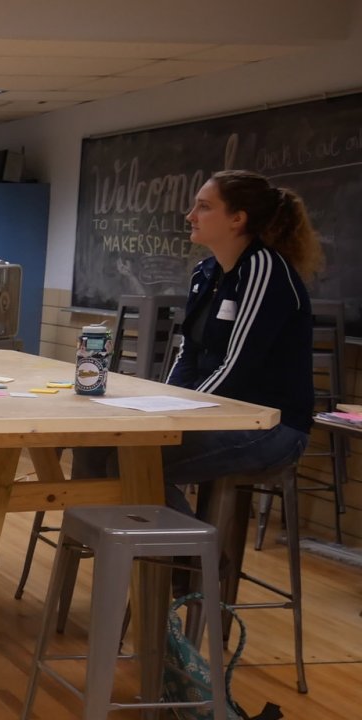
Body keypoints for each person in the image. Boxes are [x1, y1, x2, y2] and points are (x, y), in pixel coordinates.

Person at [74, 170, 321, 515]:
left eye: (203, 207)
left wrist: (181, 414)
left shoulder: (263, 269)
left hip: (271, 426)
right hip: (219, 415)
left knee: (132, 462)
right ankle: (108, 543)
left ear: (237, 219)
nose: (190, 216)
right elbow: (188, 352)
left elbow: (238, 364)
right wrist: (166, 404)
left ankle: (188, 565)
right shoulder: (205, 272)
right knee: (93, 446)